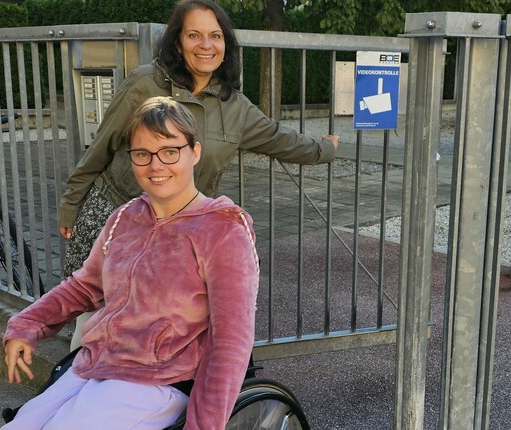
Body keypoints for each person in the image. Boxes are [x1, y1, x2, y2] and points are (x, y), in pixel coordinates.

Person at [3, 97, 259, 430]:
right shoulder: (125, 217)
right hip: (96, 364)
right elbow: (83, 287)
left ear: (194, 152)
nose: (156, 165)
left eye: (170, 151)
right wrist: (26, 325)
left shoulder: (223, 229)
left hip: (160, 379)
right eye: (142, 154)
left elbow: (230, 341)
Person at [58, 0, 340, 279]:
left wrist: (325, 149)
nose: (206, 45)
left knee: (160, 317)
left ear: (225, 45)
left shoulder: (235, 108)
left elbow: (281, 139)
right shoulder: (144, 84)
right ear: (178, 44)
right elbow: (99, 148)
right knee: (92, 315)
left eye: (215, 36)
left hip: (178, 231)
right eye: (194, 35)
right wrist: (71, 205)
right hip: (114, 216)